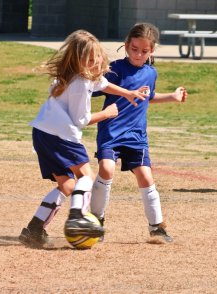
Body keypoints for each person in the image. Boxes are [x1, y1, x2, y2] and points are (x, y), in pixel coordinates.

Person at [19, 30, 148, 248]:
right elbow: (81, 120)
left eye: (97, 56)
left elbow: (103, 85)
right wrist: (106, 114)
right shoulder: (79, 83)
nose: (96, 62)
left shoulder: (80, 76)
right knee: (86, 176)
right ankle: (78, 217)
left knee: (67, 185)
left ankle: (34, 229)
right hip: (61, 135)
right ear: (78, 61)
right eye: (89, 59)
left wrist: (127, 93)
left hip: (43, 133)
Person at [90, 23, 187, 243]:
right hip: (111, 131)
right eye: (134, 49)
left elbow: (148, 96)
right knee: (106, 169)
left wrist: (171, 97)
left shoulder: (151, 73)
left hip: (136, 135)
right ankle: (95, 222)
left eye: (144, 51)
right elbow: (95, 88)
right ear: (126, 46)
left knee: (146, 176)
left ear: (151, 51)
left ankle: (157, 228)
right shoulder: (114, 69)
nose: (139, 54)